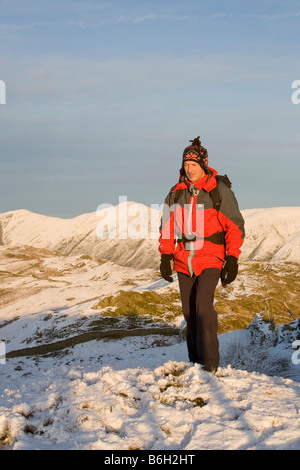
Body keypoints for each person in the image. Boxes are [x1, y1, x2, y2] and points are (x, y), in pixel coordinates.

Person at [159, 136, 245, 372]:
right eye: (186, 165)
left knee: (203, 308)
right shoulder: (176, 193)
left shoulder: (219, 192)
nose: (189, 169)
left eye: (193, 165)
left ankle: (209, 366)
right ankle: (196, 364)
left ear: (204, 165)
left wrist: (233, 258)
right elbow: (167, 227)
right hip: (183, 259)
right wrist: (166, 256)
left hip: (211, 257)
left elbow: (234, 226)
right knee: (189, 313)